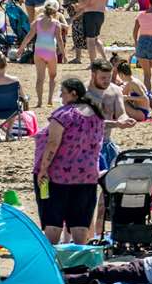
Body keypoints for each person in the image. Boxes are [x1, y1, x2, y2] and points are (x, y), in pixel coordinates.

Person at [33, 77, 106, 245]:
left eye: (63, 92)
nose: (61, 96)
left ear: (73, 94)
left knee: (53, 223)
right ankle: (80, 266)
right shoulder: (97, 115)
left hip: (59, 175)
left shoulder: (65, 114)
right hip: (87, 176)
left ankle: (54, 265)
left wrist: (43, 169)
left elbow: (53, 143)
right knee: (80, 225)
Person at [78, 0, 108, 64]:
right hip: (100, 14)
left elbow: (86, 3)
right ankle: (105, 59)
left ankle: (93, 63)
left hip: (90, 14)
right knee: (96, 38)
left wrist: (78, 6)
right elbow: (106, 1)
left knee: (90, 40)